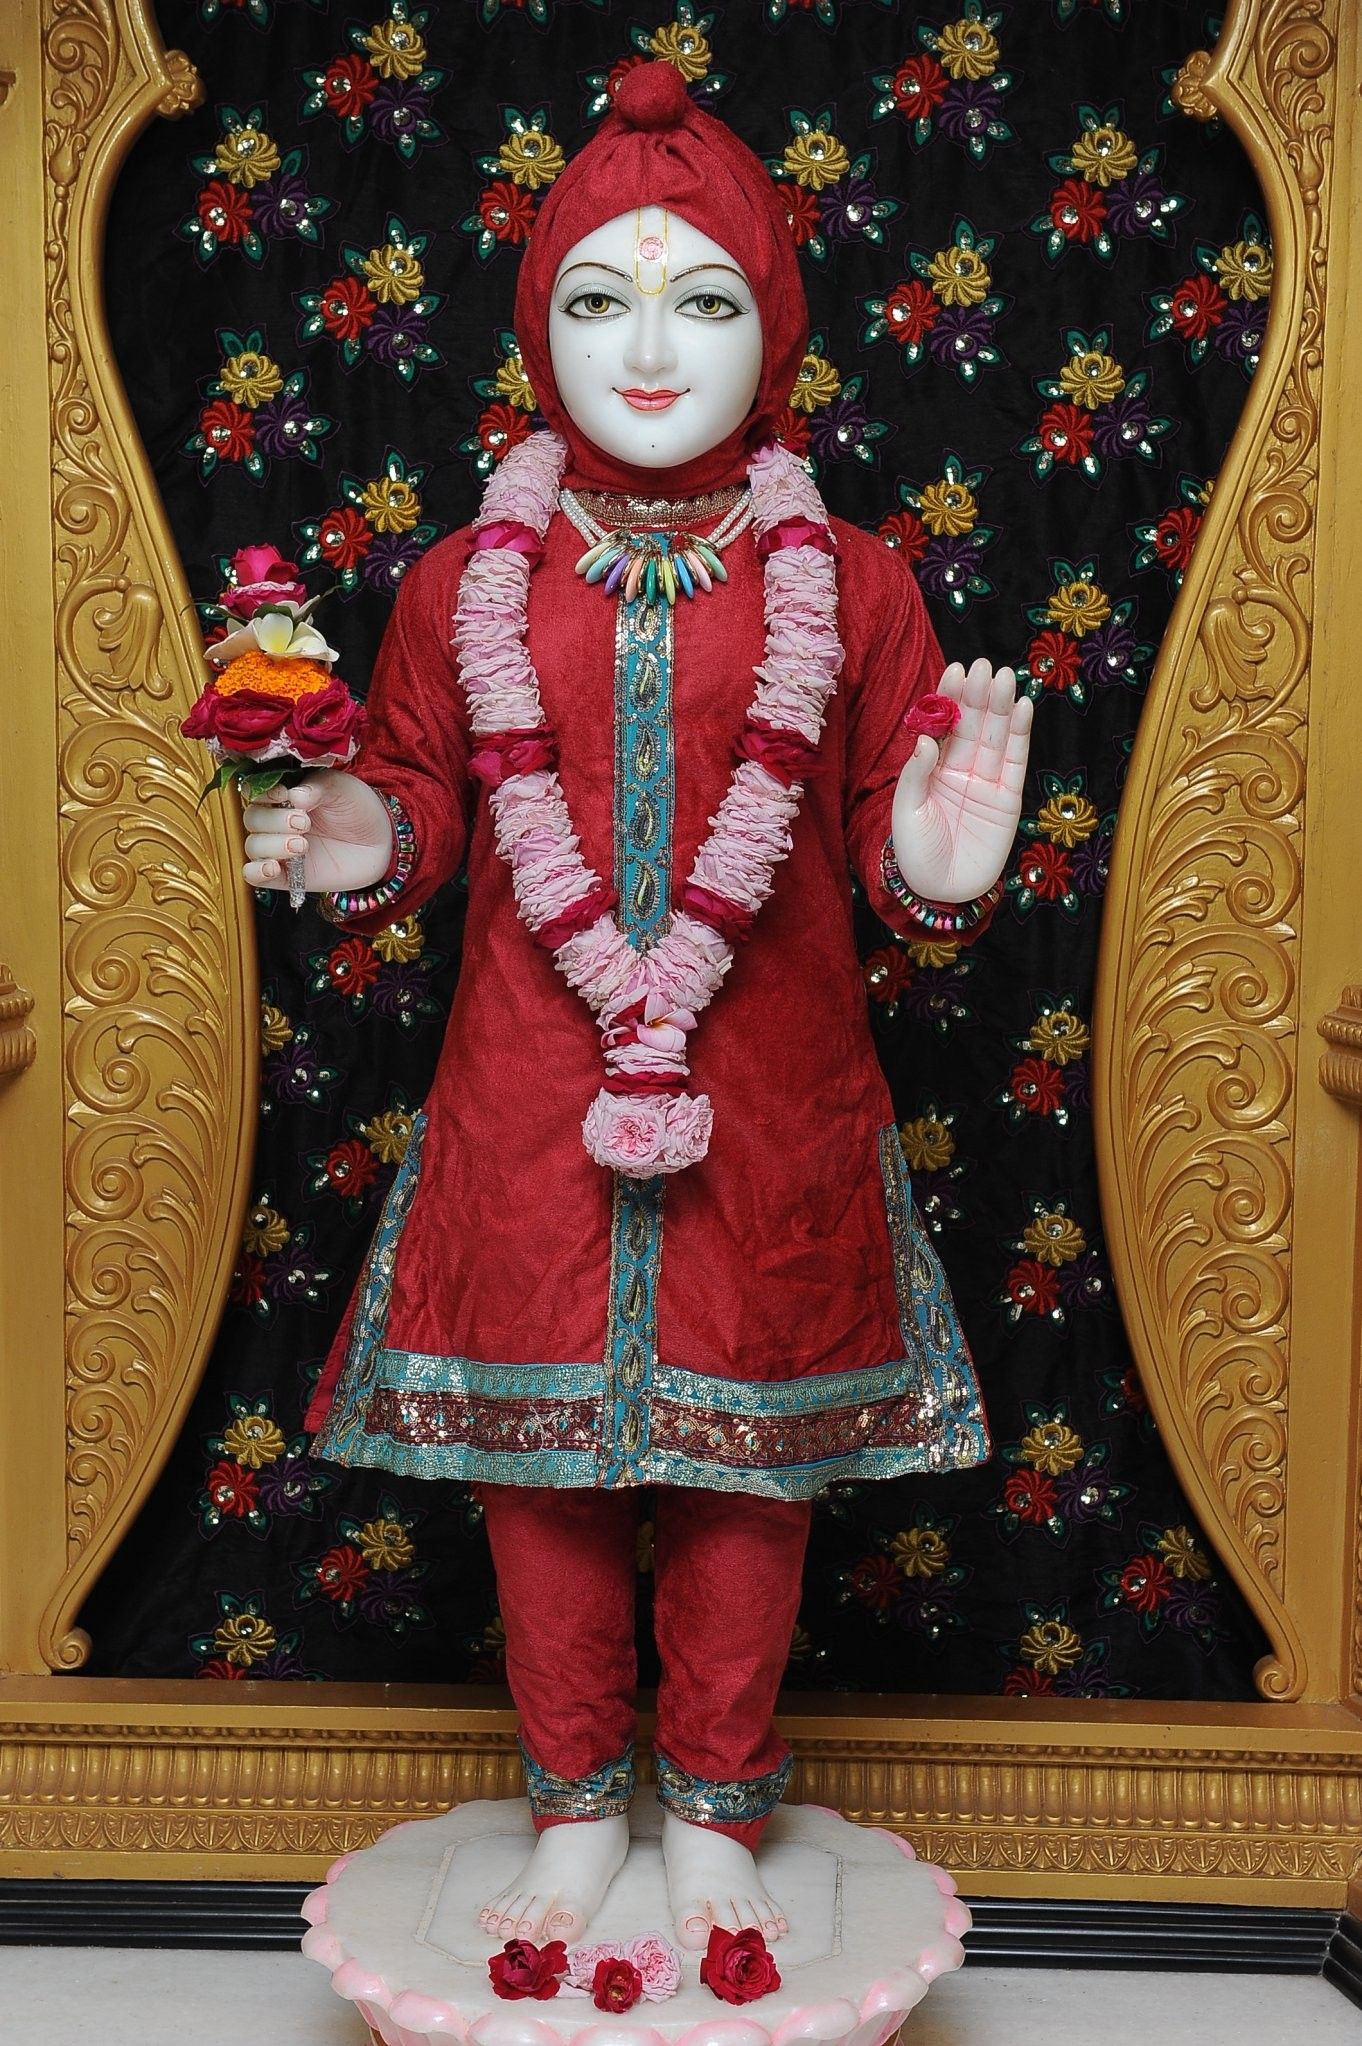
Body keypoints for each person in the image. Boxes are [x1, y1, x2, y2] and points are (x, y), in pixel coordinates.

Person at [240, 63, 1030, 1952]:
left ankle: (721, 1821)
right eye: (600, 300)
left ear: (777, 331)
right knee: (544, 1486)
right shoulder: (464, 579)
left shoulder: (852, 581)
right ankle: (578, 1806)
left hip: (771, 1094)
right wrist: (363, 832)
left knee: (749, 1479)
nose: (652, 349)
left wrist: (938, 852)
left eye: (704, 301)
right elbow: (428, 797)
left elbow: (890, 842)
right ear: (538, 331)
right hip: (533, 1085)